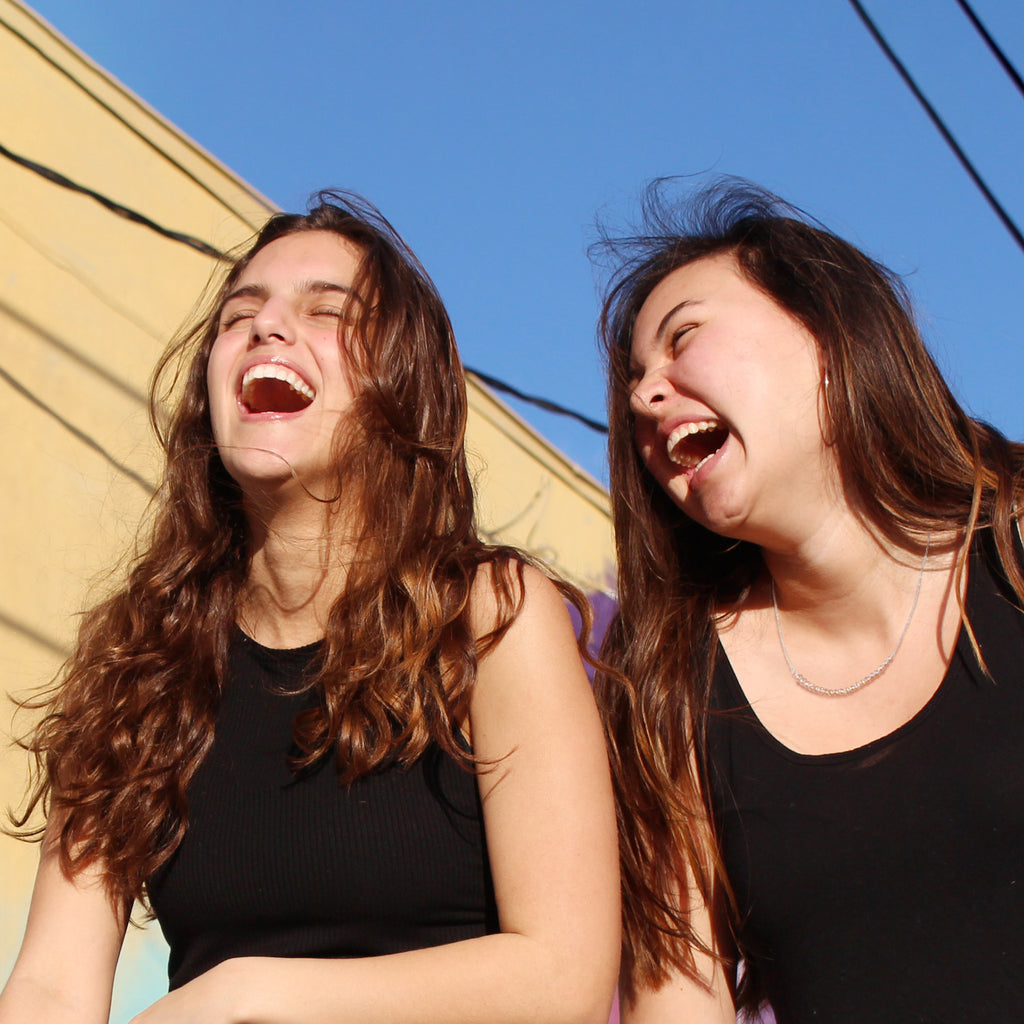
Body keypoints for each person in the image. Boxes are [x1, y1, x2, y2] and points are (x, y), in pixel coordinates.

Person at [0, 192, 619, 1024]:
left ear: (402, 384)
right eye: (238, 316)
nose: (267, 327)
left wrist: (244, 995)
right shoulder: (140, 657)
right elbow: (49, 986)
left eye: (326, 311)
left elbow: (563, 977)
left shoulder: (490, 615)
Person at [594, 178, 1024, 1023]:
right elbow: (676, 999)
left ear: (827, 329)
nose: (643, 396)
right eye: (635, 381)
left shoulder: (1014, 545)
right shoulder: (670, 691)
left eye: (684, 337)